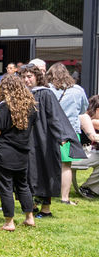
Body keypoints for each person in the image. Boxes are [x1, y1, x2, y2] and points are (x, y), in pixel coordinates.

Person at [20, 63, 76, 218]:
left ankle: (46, 209)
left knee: (45, 170)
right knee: (29, 171)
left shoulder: (46, 94)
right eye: (24, 77)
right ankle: (31, 204)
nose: (26, 80)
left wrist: (61, 136)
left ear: (37, 77)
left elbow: (55, 117)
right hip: (27, 139)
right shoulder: (23, 94)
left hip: (45, 138)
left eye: (29, 76)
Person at [0, 75, 37, 231]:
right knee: (23, 185)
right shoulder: (30, 106)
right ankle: (29, 218)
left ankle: (9, 222)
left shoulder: (4, 107)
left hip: (4, 152)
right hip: (22, 151)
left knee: (5, 187)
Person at [46, 62, 89, 205]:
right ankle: (64, 198)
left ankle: (46, 193)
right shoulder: (78, 90)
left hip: (50, 130)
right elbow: (83, 109)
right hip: (70, 131)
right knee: (66, 165)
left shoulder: (48, 89)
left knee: (46, 162)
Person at [75, 95, 99, 198]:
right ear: (98, 110)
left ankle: (90, 188)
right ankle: (88, 188)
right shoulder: (87, 119)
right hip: (77, 155)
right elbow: (94, 136)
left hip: (82, 153)